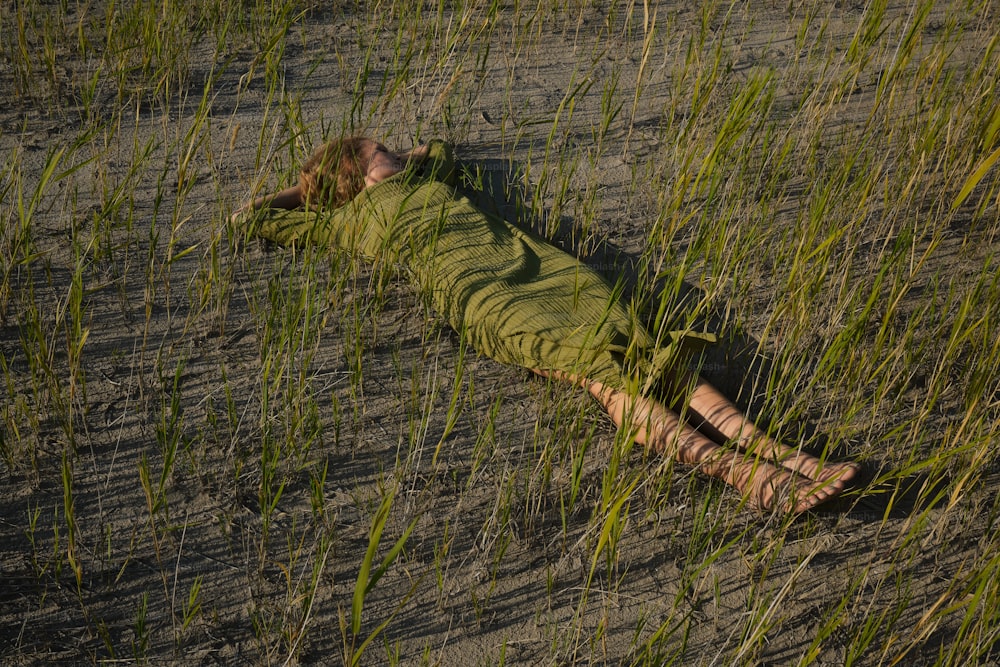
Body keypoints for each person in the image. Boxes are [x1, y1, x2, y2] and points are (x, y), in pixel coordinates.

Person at [232, 136, 859, 513]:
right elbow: (255, 218)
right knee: (599, 371)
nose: (397, 152)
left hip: (541, 264)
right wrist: (311, 184)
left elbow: (440, 149)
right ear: (359, 174)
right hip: (478, 292)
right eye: (382, 151)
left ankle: (785, 455)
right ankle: (743, 475)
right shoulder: (344, 220)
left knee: (643, 348)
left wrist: (388, 157)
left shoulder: (427, 177)